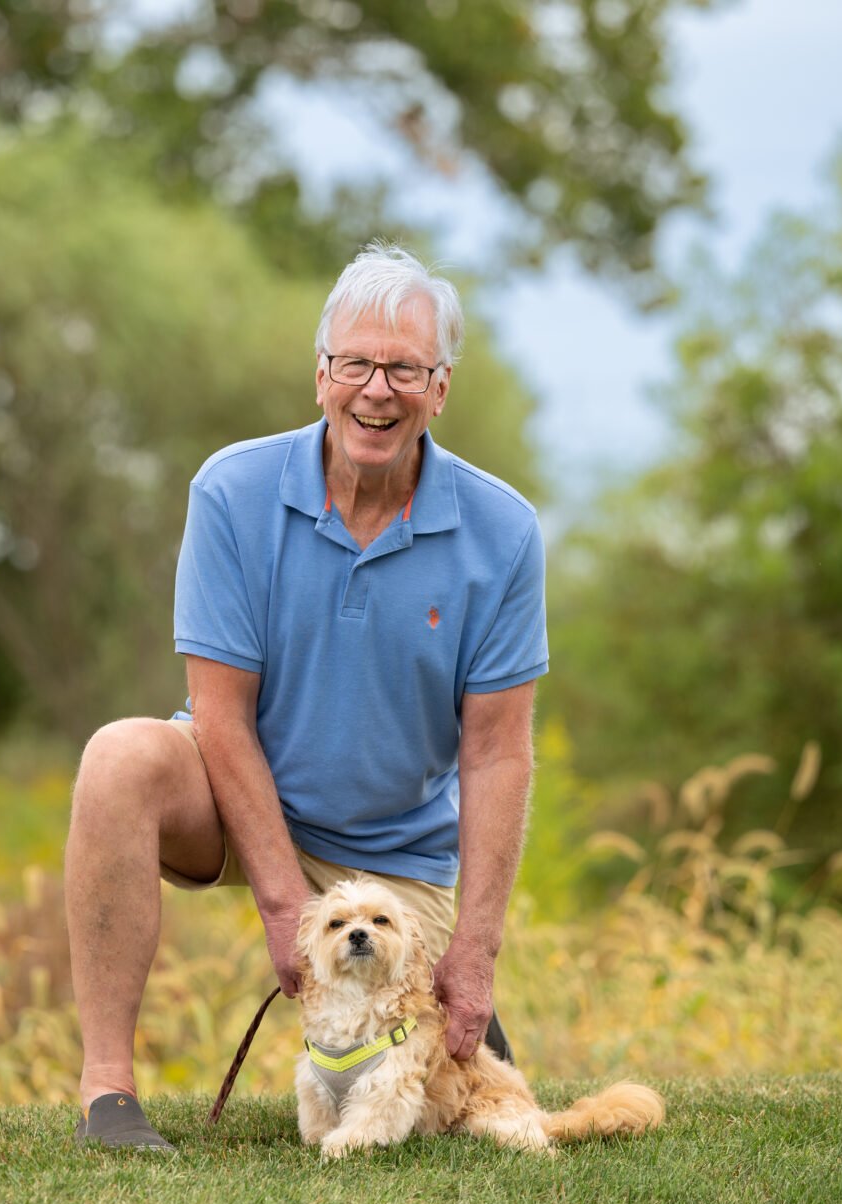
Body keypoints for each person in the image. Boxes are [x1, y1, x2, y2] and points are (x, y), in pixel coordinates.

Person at [66, 242, 547, 1150]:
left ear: (440, 388)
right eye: (357, 365)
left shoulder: (505, 530)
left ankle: (448, 1006)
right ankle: (107, 1097)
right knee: (118, 756)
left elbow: (496, 753)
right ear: (321, 374)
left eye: (404, 368)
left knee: (452, 1111)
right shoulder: (232, 490)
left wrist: (475, 954)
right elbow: (219, 718)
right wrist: (285, 906)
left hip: (396, 852)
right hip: (238, 796)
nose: (377, 390)